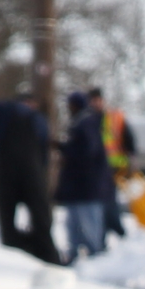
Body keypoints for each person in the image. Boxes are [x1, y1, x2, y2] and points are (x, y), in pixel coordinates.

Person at [0, 92, 61, 265]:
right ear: (31, 103)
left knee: (6, 216)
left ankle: (15, 249)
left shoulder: (2, 109)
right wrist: (41, 170)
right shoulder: (38, 119)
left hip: (6, 169)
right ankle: (47, 255)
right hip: (32, 172)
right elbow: (43, 150)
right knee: (41, 215)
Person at [54, 90, 114, 262]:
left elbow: (87, 151)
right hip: (79, 187)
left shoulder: (86, 122)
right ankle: (77, 253)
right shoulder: (81, 122)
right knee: (74, 223)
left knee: (89, 223)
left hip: (87, 185)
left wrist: (65, 149)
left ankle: (95, 256)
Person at [93, 87, 139, 241]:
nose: (95, 104)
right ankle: (111, 229)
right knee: (105, 201)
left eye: (97, 100)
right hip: (99, 167)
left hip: (114, 166)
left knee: (108, 200)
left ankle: (114, 229)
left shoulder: (114, 117)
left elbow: (129, 139)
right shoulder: (90, 119)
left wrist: (131, 161)